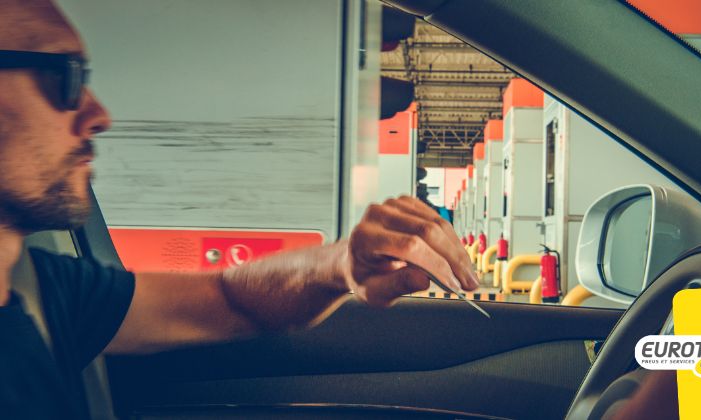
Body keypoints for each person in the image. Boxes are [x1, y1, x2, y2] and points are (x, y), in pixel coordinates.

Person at [0, 0, 479, 417]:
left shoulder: (49, 290)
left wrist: (341, 264)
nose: (98, 115)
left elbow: (230, 299)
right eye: (65, 78)